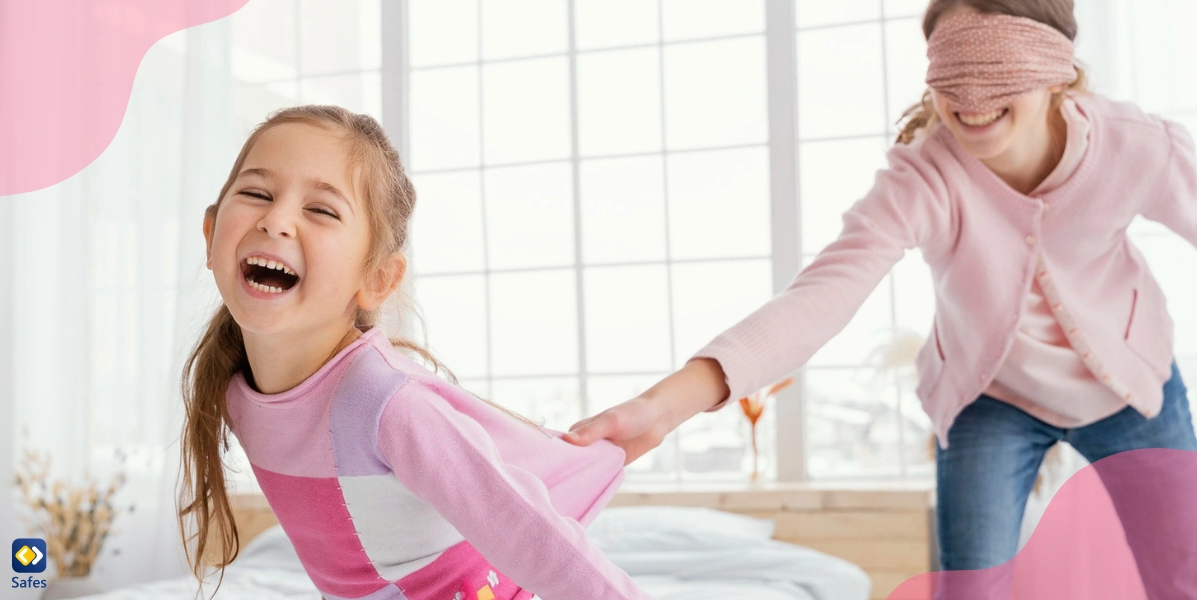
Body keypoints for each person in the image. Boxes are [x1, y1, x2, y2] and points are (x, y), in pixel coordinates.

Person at [565, 0, 1197, 596]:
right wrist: (663, 406)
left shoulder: (1136, 146)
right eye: (952, 76)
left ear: (1057, 73)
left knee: (1182, 576)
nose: (970, 102)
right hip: (990, 399)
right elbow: (823, 296)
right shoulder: (922, 176)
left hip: (1131, 391)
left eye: (996, 75)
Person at [177, 105, 650, 600]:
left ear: (376, 278)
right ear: (210, 236)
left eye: (321, 210)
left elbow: (535, 538)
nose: (276, 220)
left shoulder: (388, 403)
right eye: (256, 193)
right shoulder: (236, 392)